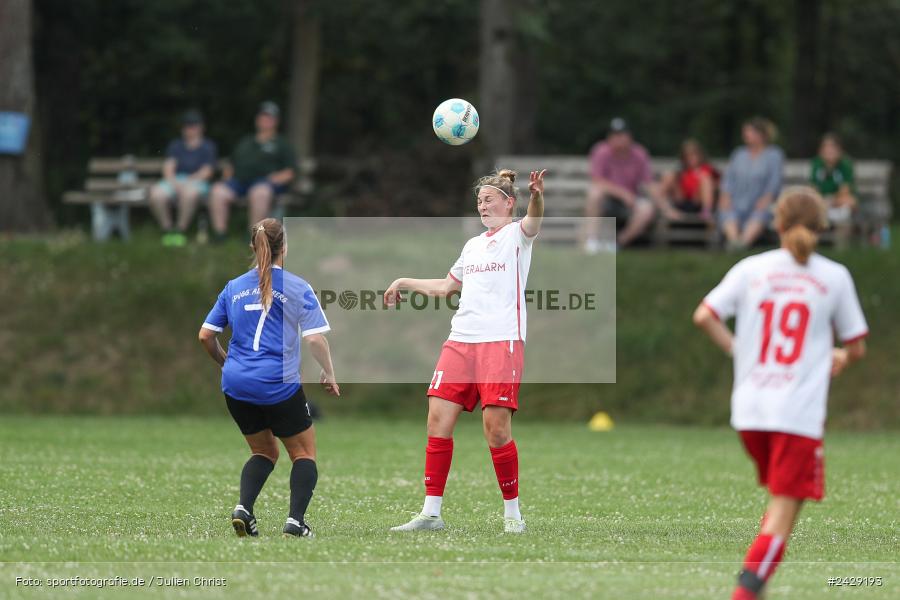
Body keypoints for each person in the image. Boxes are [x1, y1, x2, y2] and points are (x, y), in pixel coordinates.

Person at [692, 187, 868, 600]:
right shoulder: (833, 276)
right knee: (782, 520)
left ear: (777, 223)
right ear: (822, 227)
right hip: (796, 416)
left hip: (750, 413)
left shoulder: (751, 268)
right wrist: (841, 356)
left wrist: (740, 352)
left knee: (777, 509)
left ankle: (758, 588)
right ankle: (745, 594)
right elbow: (857, 345)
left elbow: (704, 315)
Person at [384, 168, 546, 534]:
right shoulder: (472, 245)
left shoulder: (517, 236)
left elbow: (535, 219)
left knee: (496, 430)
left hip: (500, 340)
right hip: (461, 340)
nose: (482, 206)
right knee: (437, 420)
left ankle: (513, 516)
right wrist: (403, 282)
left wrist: (537, 195)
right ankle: (431, 514)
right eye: (479, 201)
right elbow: (446, 286)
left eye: (489, 200)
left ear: (509, 203)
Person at [198, 218, 339, 538]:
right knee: (303, 454)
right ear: (284, 248)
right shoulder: (298, 286)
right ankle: (295, 522)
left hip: (236, 384)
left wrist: (227, 363)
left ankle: (243, 510)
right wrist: (329, 373)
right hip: (278, 383)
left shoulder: (233, 287)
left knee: (264, 452)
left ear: (253, 247)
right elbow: (315, 340)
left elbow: (205, 336)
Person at [209, 102, 297, 240]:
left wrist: (276, 178)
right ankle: (220, 234)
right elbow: (231, 163)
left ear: (276, 121)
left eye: (270, 118)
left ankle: (252, 235)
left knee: (259, 193)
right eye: (263, 117)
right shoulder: (246, 141)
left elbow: (290, 172)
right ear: (257, 119)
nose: (265, 120)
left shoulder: (281, 143)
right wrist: (227, 175)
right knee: (217, 191)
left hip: (264, 183)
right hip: (239, 182)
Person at [584, 117, 670, 253]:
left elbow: (649, 183)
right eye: (614, 135)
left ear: (629, 136)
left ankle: (617, 244)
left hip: (630, 201)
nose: (617, 139)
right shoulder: (601, 151)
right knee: (594, 194)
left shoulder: (639, 153)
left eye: (621, 135)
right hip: (609, 200)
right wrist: (623, 194)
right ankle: (591, 242)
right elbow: (597, 181)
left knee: (647, 209)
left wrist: (665, 206)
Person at [148, 110, 217, 246]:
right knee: (156, 193)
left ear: (201, 127)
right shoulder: (176, 145)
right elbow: (168, 168)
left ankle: (180, 230)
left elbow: (207, 172)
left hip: (197, 181)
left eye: (193, 125)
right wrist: (174, 182)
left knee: (190, 193)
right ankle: (167, 230)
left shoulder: (208, 147)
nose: (190, 129)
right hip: (176, 180)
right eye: (187, 126)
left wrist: (189, 181)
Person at [719, 117, 785, 250]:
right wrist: (725, 196)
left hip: (760, 201)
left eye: (749, 131)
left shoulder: (774, 155)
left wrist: (767, 198)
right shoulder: (738, 154)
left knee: (761, 213)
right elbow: (729, 179)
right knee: (727, 211)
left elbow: (775, 181)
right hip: (737, 200)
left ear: (761, 135)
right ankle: (734, 242)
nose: (745, 135)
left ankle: (743, 243)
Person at [810, 133, 857, 245]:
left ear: (839, 150)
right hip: (822, 200)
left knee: (850, 202)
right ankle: (813, 241)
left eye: (832, 147)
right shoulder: (817, 164)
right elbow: (813, 189)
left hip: (837, 200)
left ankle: (841, 242)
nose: (829, 151)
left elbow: (845, 190)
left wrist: (831, 201)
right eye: (826, 147)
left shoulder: (845, 164)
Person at [660, 138, 718, 221]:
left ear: (700, 156)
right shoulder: (682, 171)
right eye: (687, 156)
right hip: (681, 200)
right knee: (668, 175)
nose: (691, 158)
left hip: (698, 202)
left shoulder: (707, 169)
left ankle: (706, 211)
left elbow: (718, 184)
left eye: (693, 155)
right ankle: (666, 208)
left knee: (706, 179)